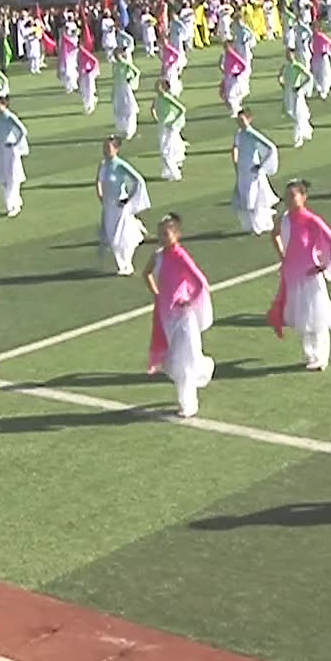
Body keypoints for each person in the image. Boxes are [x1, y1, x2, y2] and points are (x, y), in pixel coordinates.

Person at [268, 179, 331, 371]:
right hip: (293, 275)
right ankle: (310, 354)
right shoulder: (284, 219)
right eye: (286, 196)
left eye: (292, 196)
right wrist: (283, 256)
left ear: (303, 198)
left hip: (310, 275)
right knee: (302, 316)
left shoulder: (312, 220)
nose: (288, 200)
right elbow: (274, 234)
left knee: (317, 316)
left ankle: (322, 356)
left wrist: (324, 266)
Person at [146, 213, 215, 418]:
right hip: (166, 315)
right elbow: (146, 273)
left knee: (184, 360)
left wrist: (190, 299)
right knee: (174, 359)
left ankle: (188, 404)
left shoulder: (180, 256)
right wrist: (157, 293)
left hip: (184, 316)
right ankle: (191, 387)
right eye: (160, 234)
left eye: (166, 233)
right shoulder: (158, 256)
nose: (162, 237)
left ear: (176, 234)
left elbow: (200, 281)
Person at [96, 136, 151, 276]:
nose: (105, 151)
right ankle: (122, 263)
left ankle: (126, 265)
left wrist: (129, 199)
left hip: (120, 205)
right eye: (104, 148)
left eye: (108, 148)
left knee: (118, 238)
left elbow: (138, 180)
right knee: (110, 235)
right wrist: (101, 196)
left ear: (116, 149)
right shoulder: (103, 165)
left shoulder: (120, 165)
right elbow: (99, 181)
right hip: (109, 206)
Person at [231, 110, 280, 234]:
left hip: (252, 171)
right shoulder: (239, 134)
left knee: (252, 198)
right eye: (238, 120)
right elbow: (235, 147)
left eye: (242, 120)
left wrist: (261, 166)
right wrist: (236, 163)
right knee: (244, 196)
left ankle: (256, 225)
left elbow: (270, 147)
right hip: (243, 171)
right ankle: (251, 225)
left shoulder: (252, 133)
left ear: (249, 120)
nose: (240, 122)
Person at [0, 95, 29, 217]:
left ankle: (13, 205)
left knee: (13, 177)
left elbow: (23, 130)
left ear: (4, 105)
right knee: (2, 177)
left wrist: (16, 142)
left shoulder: (9, 116)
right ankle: (15, 201)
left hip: (10, 149)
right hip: (1, 150)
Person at [153, 79, 188, 181]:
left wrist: (172, 122)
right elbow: (154, 109)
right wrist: (157, 119)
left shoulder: (166, 97)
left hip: (168, 127)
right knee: (165, 149)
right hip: (162, 125)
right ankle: (170, 171)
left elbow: (182, 109)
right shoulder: (157, 98)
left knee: (165, 151)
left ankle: (175, 174)